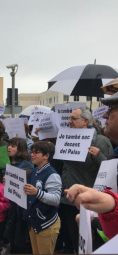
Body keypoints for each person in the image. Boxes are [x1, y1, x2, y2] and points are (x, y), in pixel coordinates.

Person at [59, 107, 113, 253]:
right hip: (68, 198)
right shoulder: (66, 138)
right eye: (69, 118)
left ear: (85, 121)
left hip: (89, 200)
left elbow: (110, 171)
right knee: (74, 239)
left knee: (90, 242)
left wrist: (98, 156)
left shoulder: (101, 141)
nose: (69, 121)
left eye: (73, 118)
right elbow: (65, 167)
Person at [23, 141, 62, 255]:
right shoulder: (35, 171)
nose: (32, 154)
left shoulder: (52, 175)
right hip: (35, 221)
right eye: (32, 152)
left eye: (36, 152)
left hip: (47, 223)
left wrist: (37, 192)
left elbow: (55, 200)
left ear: (46, 156)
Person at [4, 137, 34, 254]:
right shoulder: (11, 164)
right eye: (9, 145)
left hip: (20, 212)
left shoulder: (26, 168)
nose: (9, 147)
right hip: (12, 208)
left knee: (20, 242)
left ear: (20, 149)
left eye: (13, 146)